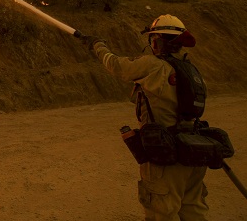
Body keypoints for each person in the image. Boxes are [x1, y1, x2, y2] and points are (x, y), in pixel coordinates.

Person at [83, 14, 208, 221]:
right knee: (193, 212)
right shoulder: (191, 70)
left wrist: (97, 45)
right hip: (193, 155)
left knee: (161, 213)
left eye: (152, 40)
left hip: (165, 157)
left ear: (157, 41)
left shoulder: (154, 66)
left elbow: (116, 65)